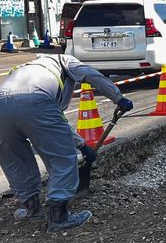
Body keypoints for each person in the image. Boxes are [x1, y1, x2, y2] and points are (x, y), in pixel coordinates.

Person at [0, 54, 133, 232]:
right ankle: (59, 218)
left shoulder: (29, 68)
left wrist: (83, 146)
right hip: (36, 101)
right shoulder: (65, 61)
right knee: (61, 158)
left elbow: (57, 121)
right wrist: (118, 98)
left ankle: (32, 210)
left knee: (15, 160)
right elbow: (90, 74)